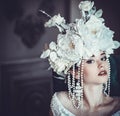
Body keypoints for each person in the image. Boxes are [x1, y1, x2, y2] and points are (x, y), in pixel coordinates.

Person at [40, 1, 120, 116]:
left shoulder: (117, 107)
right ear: (75, 72)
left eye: (103, 58)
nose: (101, 64)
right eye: (90, 60)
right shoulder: (60, 103)